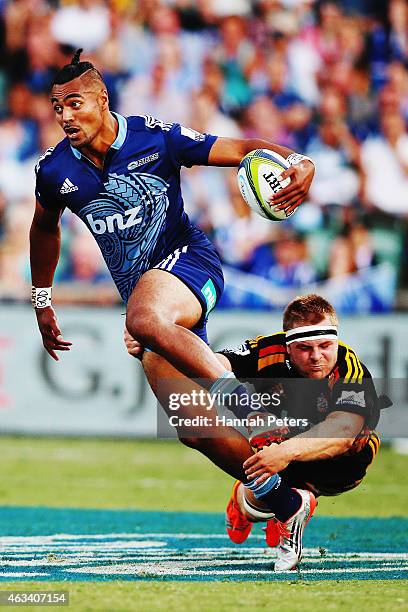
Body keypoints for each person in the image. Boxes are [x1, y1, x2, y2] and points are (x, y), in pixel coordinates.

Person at [30, 49, 314, 428]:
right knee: (196, 428)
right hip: (149, 309)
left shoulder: (156, 138)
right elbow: (45, 229)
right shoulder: (54, 171)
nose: (64, 116)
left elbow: (242, 149)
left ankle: (242, 397)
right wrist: (42, 299)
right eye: (57, 107)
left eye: (74, 104)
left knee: (144, 317)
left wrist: (299, 161)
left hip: (191, 263)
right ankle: (276, 487)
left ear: (102, 99)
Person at [125, 294, 385, 572]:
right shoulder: (266, 350)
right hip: (276, 445)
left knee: (257, 502)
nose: (317, 357)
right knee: (192, 429)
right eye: (305, 348)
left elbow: (343, 431)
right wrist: (154, 342)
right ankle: (282, 505)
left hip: (337, 466)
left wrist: (284, 452)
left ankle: (260, 500)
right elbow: (210, 365)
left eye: (325, 345)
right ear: (288, 345)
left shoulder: (350, 368)